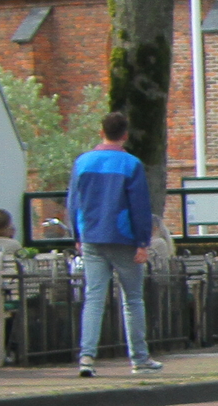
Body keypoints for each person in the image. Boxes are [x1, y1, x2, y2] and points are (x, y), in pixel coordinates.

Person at [68, 112, 161, 378]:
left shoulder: (82, 162)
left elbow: (73, 202)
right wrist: (142, 241)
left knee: (94, 298)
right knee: (132, 300)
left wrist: (77, 233)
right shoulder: (131, 164)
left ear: (102, 132)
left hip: (91, 236)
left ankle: (87, 357)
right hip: (124, 238)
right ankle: (139, 358)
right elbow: (140, 206)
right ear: (125, 135)